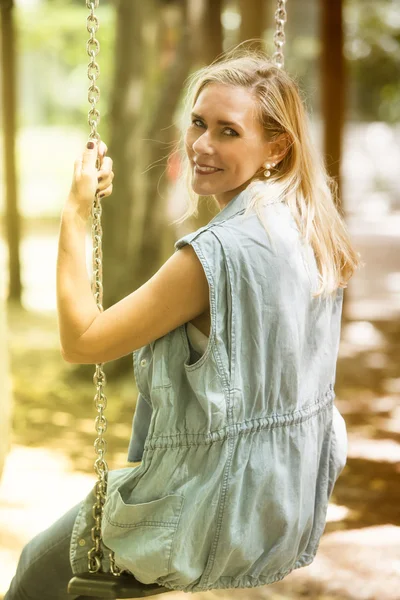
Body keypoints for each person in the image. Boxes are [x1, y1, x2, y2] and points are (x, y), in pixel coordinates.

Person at [5, 46, 362, 599]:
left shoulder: (210, 256)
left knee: (37, 569)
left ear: (276, 146)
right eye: (198, 123)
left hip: (204, 506)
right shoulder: (308, 223)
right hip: (281, 498)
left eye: (227, 131)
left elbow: (82, 342)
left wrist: (75, 212)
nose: (201, 145)